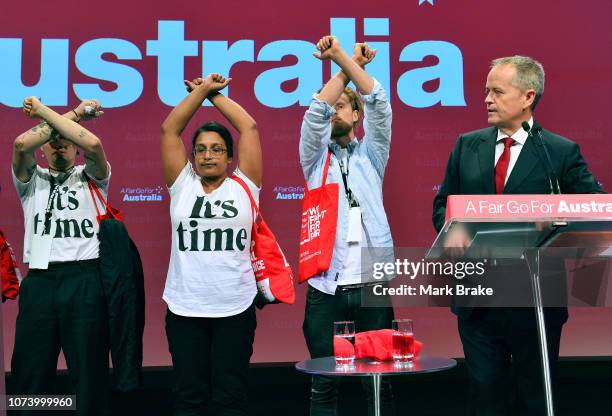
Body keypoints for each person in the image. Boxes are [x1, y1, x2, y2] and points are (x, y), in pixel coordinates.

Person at [432, 56, 604, 415]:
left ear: (528, 96)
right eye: (485, 91)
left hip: (536, 297)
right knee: (485, 394)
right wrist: (454, 232)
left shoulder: (558, 151)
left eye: (497, 91)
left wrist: (563, 217)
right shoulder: (467, 145)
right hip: (477, 296)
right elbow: (442, 206)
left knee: (535, 395)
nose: (487, 100)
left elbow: (597, 210)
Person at [300, 36, 395, 416]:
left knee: (379, 384)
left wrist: (344, 58)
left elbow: (380, 105)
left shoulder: (374, 155)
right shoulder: (312, 158)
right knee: (325, 383)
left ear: (357, 116)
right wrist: (344, 65)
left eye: (344, 106)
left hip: (373, 285)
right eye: (333, 106)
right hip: (327, 288)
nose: (335, 111)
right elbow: (315, 112)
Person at [160, 73, 262, 416]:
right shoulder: (182, 185)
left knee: (230, 398)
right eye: (201, 149)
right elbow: (169, 131)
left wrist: (215, 96)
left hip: (234, 308)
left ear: (230, 158)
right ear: (192, 157)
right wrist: (200, 92)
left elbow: (248, 128)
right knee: (189, 399)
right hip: (185, 309)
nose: (207, 156)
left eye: (217, 149)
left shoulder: (244, 185)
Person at [11, 97, 111, 415]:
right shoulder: (31, 180)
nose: (58, 146)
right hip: (40, 282)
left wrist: (45, 112)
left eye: (65, 140)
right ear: (43, 149)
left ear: (74, 147)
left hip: (84, 280)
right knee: (30, 373)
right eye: (51, 141)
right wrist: (76, 112)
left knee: (89, 375)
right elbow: (20, 143)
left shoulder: (92, 177)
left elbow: (94, 143)